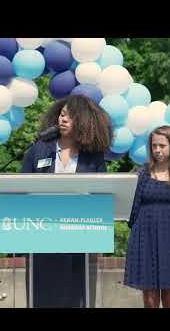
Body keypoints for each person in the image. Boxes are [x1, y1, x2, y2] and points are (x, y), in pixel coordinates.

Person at [21, 94, 113, 308]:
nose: (62, 120)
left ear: (82, 122)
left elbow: (103, 195)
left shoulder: (94, 158)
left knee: (74, 296)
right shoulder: (39, 150)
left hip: (78, 236)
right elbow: (21, 188)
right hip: (42, 233)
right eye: (61, 115)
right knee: (43, 295)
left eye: (69, 117)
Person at [124, 125, 170, 308]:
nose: (157, 150)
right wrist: (142, 230)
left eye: (162, 145)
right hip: (145, 239)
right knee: (149, 300)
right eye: (154, 145)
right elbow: (131, 209)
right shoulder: (141, 174)